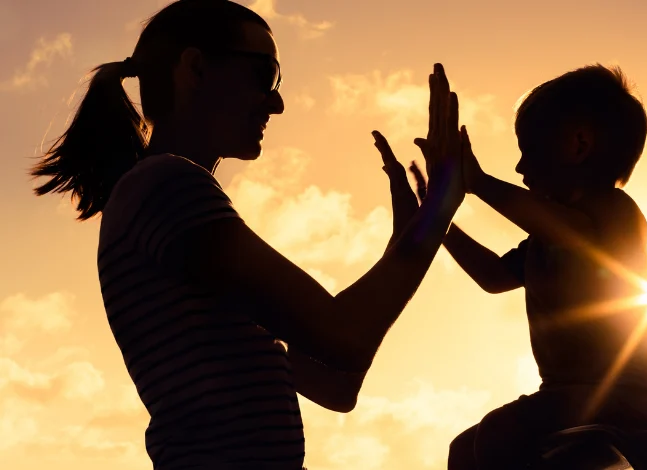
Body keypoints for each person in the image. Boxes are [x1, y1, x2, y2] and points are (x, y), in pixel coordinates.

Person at [29, 1, 465, 468]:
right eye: (266, 75)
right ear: (195, 68)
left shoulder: (169, 201)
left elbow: (337, 384)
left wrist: (410, 239)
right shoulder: (167, 188)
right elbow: (345, 337)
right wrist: (435, 214)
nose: (277, 102)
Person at [431, 65, 647, 470]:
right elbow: (492, 276)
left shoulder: (616, 214)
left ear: (579, 144)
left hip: (629, 396)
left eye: (529, 149)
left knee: (499, 432)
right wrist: (437, 217)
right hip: (568, 397)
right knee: (464, 450)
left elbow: (575, 236)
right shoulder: (544, 239)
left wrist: (478, 181)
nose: (520, 167)